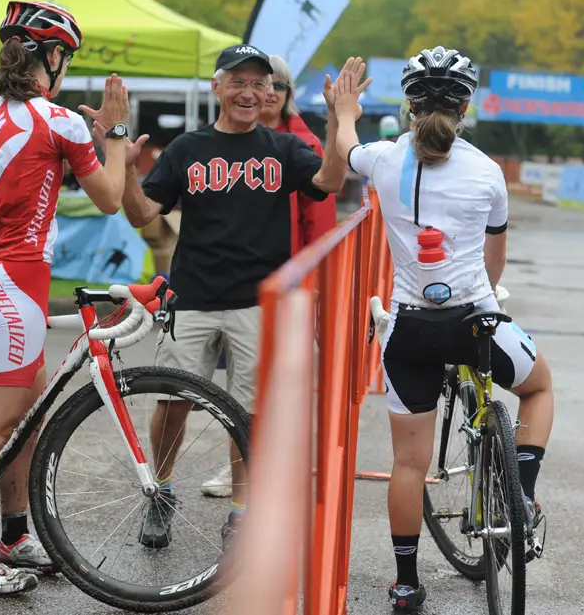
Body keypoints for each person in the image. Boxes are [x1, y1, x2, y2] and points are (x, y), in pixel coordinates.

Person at [0, 0, 140, 596]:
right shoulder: (61, 121)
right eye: (64, 56)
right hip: (15, 284)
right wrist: (116, 133)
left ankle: (15, 536)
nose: (65, 66)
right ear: (52, 56)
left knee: (26, 420)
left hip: (0, 277)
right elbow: (111, 200)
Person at [333, 46, 554, 611]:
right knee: (538, 387)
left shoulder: (383, 159)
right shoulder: (487, 172)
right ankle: (521, 495)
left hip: (409, 328)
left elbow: (344, 149)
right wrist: (486, 294)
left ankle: (406, 584)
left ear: (409, 105)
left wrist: (345, 110)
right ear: (466, 106)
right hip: (475, 319)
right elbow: (494, 256)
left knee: (408, 463)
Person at [120, 45, 365, 551]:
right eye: (239, 81)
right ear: (218, 88)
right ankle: (160, 493)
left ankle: (241, 511)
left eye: (261, 84)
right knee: (171, 402)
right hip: (191, 299)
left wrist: (339, 123)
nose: (250, 92)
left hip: (257, 304)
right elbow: (142, 212)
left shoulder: (281, 148)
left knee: (247, 413)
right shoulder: (187, 148)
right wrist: (123, 167)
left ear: (272, 94)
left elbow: (330, 180)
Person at [200, 53, 340, 497]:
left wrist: (310, 288)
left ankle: (263, 469)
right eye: (260, 84)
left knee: (268, 385)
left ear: (285, 95)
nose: (267, 94)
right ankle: (250, 467)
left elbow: (320, 225)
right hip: (226, 285)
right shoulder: (222, 142)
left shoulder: (300, 145)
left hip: (283, 285)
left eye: (276, 86)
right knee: (243, 383)